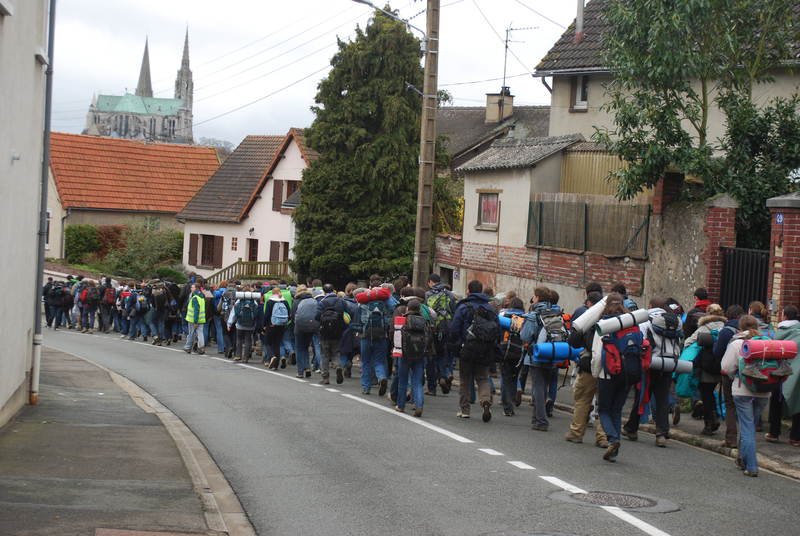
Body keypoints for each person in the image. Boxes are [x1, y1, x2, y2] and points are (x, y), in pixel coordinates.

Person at [623, 299, 684, 447]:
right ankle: (661, 434)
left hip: (650, 364)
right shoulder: (675, 321)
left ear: (650, 306)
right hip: (669, 364)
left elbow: (641, 341)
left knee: (643, 396)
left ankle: (631, 429)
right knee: (662, 398)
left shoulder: (645, 320)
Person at [591, 293, 641, 462]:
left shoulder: (604, 325)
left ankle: (613, 439)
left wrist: (595, 373)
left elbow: (598, 355)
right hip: (628, 373)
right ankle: (615, 447)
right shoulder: (632, 324)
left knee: (604, 409)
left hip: (608, 373)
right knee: (616, 410)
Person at [720, 315, 772, 476]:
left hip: (742, 391)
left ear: (740, 328)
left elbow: (726, 367)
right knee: (750, 425)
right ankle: (742, 459)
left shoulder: (737, 343)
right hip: (764, 391)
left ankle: (752, 467)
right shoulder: (767, 343)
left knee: (747, 427)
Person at [449, 279, 498, 422]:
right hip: (485, 348)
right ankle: (485, 400)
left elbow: (454, 329)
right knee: (482, 378)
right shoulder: (490, 308)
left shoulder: (464, 307)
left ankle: (465, 410)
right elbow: (497, 330)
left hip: (467, 348)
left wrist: (456, 344)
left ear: (468, 291)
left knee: (465, 379)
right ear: (481, 291)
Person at [565, 291, 609, 447]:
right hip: (610, 367)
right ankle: (603, 436)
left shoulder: (591, 320)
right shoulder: (619, 321)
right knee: (604, 403)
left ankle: (576, 433)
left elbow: (574, 341)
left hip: (589, 366)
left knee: (583, 399)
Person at [682, 303, 726, 435]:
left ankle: (709, 423)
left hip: (706, 367)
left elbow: (688, 342)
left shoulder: (703, 328)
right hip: (721, 366)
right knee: (712, 393)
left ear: (708, 313)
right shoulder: (725, 328)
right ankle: (714, 418)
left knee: (706, 395)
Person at [713, 304, 745, 447]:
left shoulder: (726, 331)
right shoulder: (752, 332)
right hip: (748, 374)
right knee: (746, 407)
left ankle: (731, 438)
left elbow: (717, 352)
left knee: (730, 405)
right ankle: (746, 441)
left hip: (729, 373)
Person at [425, 273, 457, 395]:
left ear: (430, 282)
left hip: (432, 328)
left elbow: (426, 312)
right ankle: (444, 375)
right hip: (446, 327)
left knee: (430, 357)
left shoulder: (428, 294)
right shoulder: (449, 294)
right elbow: (454, 311)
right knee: (442, 354)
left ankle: (432, 387)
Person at [395, 299, 428, 417]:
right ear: (419, 309)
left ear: (407, 308)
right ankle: (419, 405)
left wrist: (396, 351)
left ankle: (401, 405)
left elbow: (396, 337)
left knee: (403, 380)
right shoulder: (424, 321)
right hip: (419, 354)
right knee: (418, 382)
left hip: (405, 353)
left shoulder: (402, 319)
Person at [775, 305, 800, 446]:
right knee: (798, 402)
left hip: (779, 371)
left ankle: (773, 432)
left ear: (784, 316)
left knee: (776, 402)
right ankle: (795, 437)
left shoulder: (778, 333)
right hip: (797, 373)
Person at [498, 297, 526, 417]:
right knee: (515, 377)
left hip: (505, 350)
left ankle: (507, 407)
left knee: (505, 378)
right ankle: (512, 401)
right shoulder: (526, 318)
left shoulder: (504, 315)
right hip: (520, 352)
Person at [315, 284, 345, 384]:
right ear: (333, 290)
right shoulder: (340, 301)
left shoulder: (322, 302)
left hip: (325, 332)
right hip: (337, 331)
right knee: (336, 352)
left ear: (324, 291)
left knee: (325, 354)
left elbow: (317, 316)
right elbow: (346, 314)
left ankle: (325, 377)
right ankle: (338, 366)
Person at [227, 287, 259, 363]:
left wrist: (229, 323)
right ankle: (246, 358)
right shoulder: (254, 302)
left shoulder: (239, 301)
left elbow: (233, 314)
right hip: (251, 325)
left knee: (239, 339)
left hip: (240, 324)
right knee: (248, 340)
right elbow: (256, 314)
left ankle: (238, 355)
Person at [263, 287, 291, 369]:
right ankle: (276, 365)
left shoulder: (270, 301)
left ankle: (272, 357)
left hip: (271, 325)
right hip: (281, 326)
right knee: (277, 344)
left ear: (272, 293)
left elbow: (267, 315)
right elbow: (289, 314)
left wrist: (265, 325)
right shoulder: (284, 301)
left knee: (268, 342)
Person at [184, 283, 206, 354]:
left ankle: (188, 347)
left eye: (192, 287)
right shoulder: (202, 296)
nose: (191, 289)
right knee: (200, 333)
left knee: (191, 333)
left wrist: (195, 321)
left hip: (193, 319)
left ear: (196, 288)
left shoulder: (195, 297)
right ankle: (201, 348)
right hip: (201, 318)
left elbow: (196, 310)